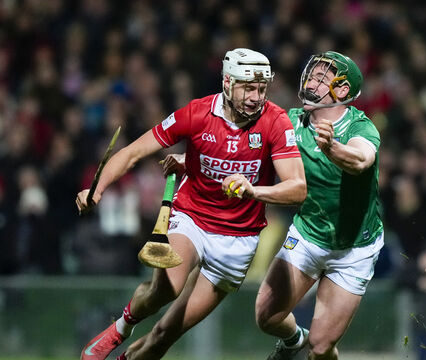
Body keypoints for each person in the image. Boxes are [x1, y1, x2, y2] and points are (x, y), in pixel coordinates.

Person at [76, 48, 306, 360]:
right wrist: (97, 188)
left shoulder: (276, 122)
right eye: (248, 88)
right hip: (191, 218)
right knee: (167, 289)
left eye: (261, 89)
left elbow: (297, 189)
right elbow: (132, 152)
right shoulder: (196, 113)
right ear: (227, 82)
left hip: (238, 242)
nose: (256, 97)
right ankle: (122, 326)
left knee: (162, 337)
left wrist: (252, 191)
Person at [254, 51, 384, 360]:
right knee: (266, 317)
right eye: (311, 75)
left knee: (322, 348)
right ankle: (293, 340)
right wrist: (192, 162)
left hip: (354, 248)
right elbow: (246, 146)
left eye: (322, 79)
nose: (311, 82)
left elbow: (361, 160)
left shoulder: (361, 128)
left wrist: (332, 148)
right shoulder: (291, 122)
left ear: (343, 92)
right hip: (309, 234)